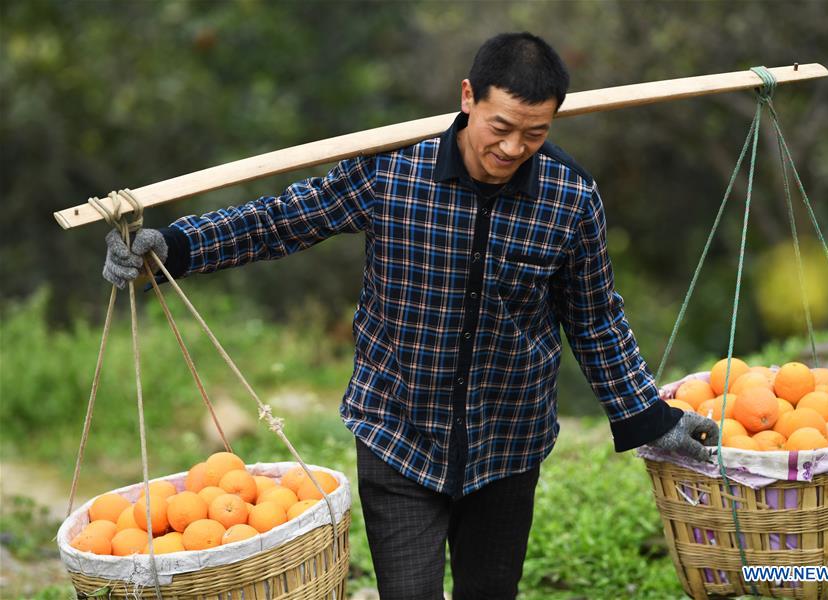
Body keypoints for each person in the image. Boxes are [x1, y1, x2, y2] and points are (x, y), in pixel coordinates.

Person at [103, 32, 717, 600]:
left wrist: (647, 415)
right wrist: (176, 248)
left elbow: (595, 318)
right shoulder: (392, 170)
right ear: (468, 97)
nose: (512, 148)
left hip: (508, 441)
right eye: (501, 127)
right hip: (397, 431)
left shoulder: (569, 198)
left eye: (534, 133)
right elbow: (281, 220)